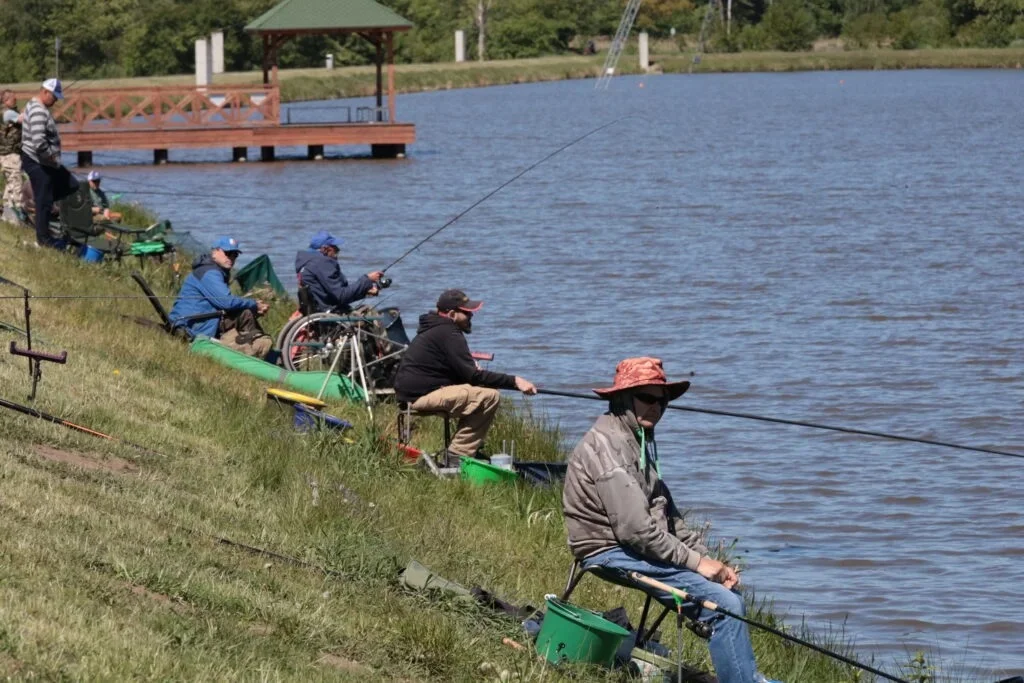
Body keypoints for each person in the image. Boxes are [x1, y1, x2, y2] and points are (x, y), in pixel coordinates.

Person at [563, 357, 779, 683]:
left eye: (662, 401)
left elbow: (670, 519)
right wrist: (698, 564)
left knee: (727, 596)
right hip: (605, 549)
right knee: (724, 607)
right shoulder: (607, 447)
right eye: (647, 398)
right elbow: (636, 531)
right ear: (622, 399)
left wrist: (710, 562)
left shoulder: (638, 440)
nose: (656, 408)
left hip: (631, 546)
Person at [393, 289, 537, 464]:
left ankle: (463, 451)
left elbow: (458, 372)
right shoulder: (448, 332)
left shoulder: (436, 328)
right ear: (452, 314)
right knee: (490, 397)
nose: (471, 317)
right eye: (467, 313)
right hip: (419, 397)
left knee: (484, 391)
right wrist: (515, 381)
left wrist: (477, 378)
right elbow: (473, 376)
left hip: (414, 393)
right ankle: (457, 456)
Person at [168, 237, 272, 358]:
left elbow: (224, 303)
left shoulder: (216, 270)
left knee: (245, 313)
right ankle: (259, 353)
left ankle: (258, 348)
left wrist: (253, 307)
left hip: (204, 320)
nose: (231, 258)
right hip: (190, 328)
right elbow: (226, 302)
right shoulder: (209, 272)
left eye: (235, 255)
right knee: (246, 313)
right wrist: (253, 304)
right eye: (228, 253)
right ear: (215, 252)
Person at [20, 79, 78, 248]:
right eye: (54, 97)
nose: (56, 101)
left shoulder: (34, 105)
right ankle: (43, 240)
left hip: (43, 162)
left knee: (71, 184)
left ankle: (42, 207)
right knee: (44, 200)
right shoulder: (39, 110)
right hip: (39, 161)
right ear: (45, 92)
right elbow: (39, 142)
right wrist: (51, 157)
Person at [294, 230, 383, 313]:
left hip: (319, 309)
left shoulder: (308, 262)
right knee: (373, 317)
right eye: (334, 247)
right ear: (325, 249)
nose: (338, 250)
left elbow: (335, 296)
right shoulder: (322, 262)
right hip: (328, 313)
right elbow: (341, 296)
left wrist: (364, 291)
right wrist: (367, 279)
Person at [0, 90, 26, 224]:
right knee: (16, 182)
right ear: (6, 101)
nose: (16, 101)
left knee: (10, 182)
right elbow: (23, 119)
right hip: (10, 155)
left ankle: (8, 209)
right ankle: (18, 210)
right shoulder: (8, 112)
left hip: (7, 154)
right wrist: (27, 111)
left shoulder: (7, 112)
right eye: (13, 99)